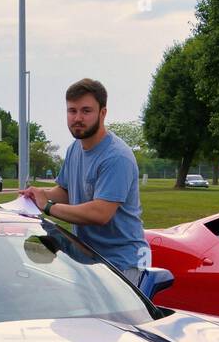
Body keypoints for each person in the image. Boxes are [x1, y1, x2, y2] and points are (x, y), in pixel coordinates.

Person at [18, 77, 150, 286]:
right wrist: (38, 195)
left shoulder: (116, 157)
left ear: (102, 113)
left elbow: (100, 213)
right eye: (72, 111)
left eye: (86, 111)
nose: (78, 117)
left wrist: (49, 206)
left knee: (113, 320)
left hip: (122, 263)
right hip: (88, 259)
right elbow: (66, 191)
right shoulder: (74, 149)